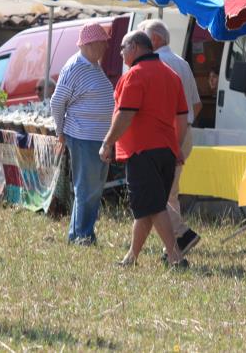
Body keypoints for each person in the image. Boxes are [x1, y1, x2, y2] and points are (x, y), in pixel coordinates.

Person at [100, 30, 189, 268]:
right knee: (147, 207)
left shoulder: (134, 76)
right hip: (166, 151)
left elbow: (126, 114)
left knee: (154, 206)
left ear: (136, 47)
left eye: (122, 47)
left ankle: (175, 257)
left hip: (142, 151)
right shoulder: (172, 76)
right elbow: (182, 118)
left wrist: (108, 142)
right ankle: (131, 257)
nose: (120, 52)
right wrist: (177, 147)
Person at [138, 19, 202, 257]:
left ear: (154, 39)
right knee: (169, 194)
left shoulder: (155, 63)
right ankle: (172, 246)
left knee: (156, 194)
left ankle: (182, 234)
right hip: (184, 132)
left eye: (143, 38)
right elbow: (196, 104)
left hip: (163, 135)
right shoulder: (183, 63)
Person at [50, 23, 115, 245]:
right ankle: (84, 235)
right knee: (88, 189)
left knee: (91, 189)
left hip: (96, 137)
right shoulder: (76, 66)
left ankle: (77, 234)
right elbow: (57, 102)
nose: (106, 47)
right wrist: (60, 131)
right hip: (83, 136)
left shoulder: (94, 65)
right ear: (90, 44)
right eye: (102, 43)